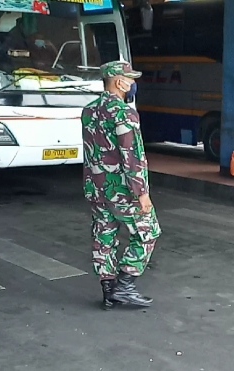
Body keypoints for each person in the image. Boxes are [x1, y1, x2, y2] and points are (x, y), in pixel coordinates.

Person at [81, 60, 162, 310]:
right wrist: (142, 193)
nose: (133, 83)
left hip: (96, 187)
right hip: (122, 189)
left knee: (104, 234)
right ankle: (125, 286)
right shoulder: (123, 112)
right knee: (148, 232)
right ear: (118, 81)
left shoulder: (89, 110)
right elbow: (132, 154)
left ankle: (108, 291)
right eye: (130, 79)